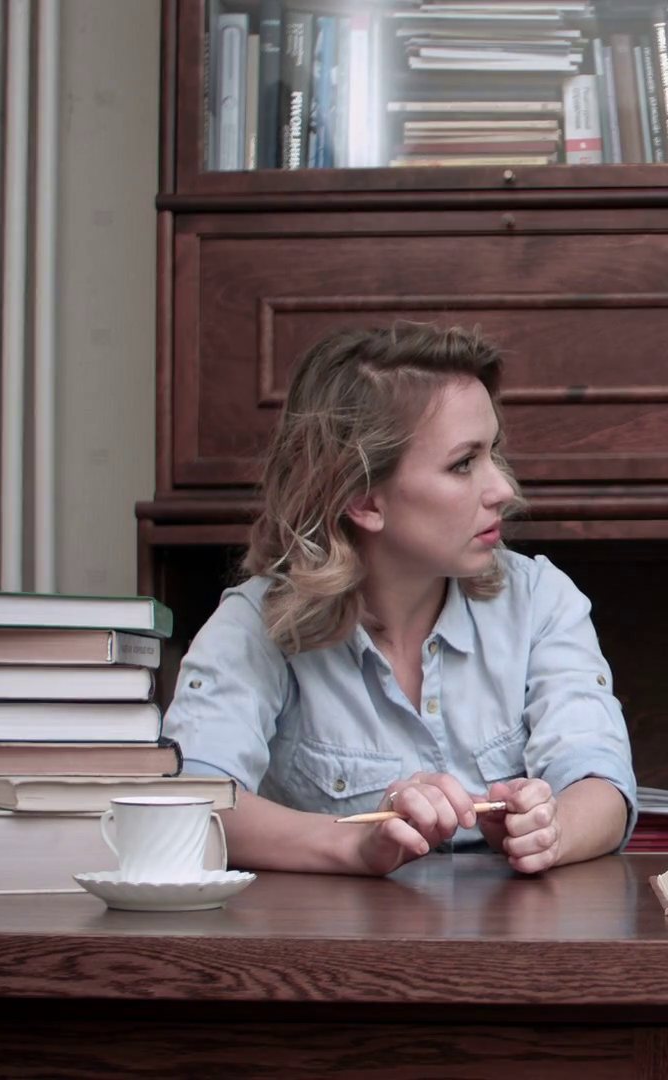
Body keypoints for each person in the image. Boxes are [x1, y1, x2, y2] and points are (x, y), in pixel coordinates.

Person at [164, 324, 636, 876]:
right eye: (464, 463)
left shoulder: (539, 600)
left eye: (492, 452)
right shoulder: (256, 625)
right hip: (325, 933)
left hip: (516, 929)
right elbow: (190, 803)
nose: (503, 489)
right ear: (364, 500)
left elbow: (602, 782)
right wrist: (354, 845)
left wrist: (550, 829)